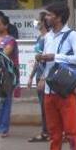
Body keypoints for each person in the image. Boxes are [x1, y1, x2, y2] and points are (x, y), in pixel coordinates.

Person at [36, 6, 76, 150]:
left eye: (50, 14)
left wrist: (55, 57)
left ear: (58, 17)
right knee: (54, 131)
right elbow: (46, 62)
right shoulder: (48, 37)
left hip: (65, 90)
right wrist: (42, 76)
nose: (46, 17)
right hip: (50, 89)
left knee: (71, 131)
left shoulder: (72, 36)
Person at [0, 13, 19, 137]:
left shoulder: (10, 40)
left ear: (6, 26)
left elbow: (4, 54)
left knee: (5, 102)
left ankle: (3, 128)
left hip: (7, 75)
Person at [27, 11, 51, 143]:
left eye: (38, 19)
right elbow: (37, 59)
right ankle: (46, 131)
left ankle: (49, 132)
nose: (35, 22)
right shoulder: (39, 38)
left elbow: (49, 61)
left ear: (43, 22)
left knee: (47, 106)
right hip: (39, 76)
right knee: (43, 106)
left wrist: (43, 77)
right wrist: (31, 77)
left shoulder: (49, 38)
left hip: (46, 77)